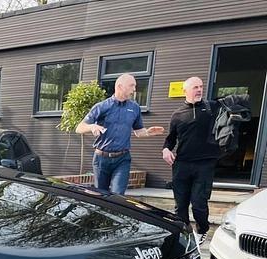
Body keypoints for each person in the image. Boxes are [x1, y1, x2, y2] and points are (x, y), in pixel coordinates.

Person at [162, 77, 249, 245]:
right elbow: (170, 139)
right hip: (181, 165)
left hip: (205, 164)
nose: (199, 90)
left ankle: (202, 230)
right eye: (195, 87)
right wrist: (166, 149)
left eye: (201, 87)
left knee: (199, 204)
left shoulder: (212, 108)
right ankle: (184, 233)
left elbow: (236, 103)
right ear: (185, 91)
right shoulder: (177, 115)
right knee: (180, 206)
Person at [77, 74, 165, 194]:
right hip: (101, 159)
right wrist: (92, 126)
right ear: (119, 86)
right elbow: (79, 128)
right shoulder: (102, 107)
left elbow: (138, 132)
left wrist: (148, 132)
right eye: (131, 86)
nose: (134, 89)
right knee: (101, 195)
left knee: (118, 195)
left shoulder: (134, 108)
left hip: (122, 159)